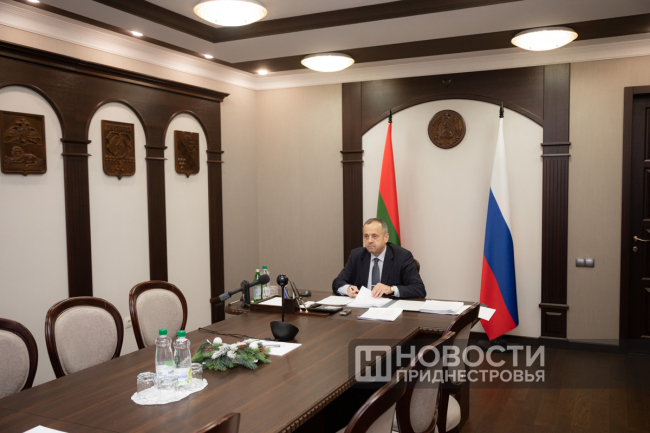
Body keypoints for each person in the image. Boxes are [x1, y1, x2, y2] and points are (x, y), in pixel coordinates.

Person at [332, 218, 426, 299]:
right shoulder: (356, 255)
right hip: (361, 308)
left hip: (390, 309)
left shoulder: (402, 256)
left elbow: (419, 289)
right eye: (366, 236)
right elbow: (338, 282)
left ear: (386, 237)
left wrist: (391, 289)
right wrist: (347, 289)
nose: (369, 241)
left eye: (374, 236)